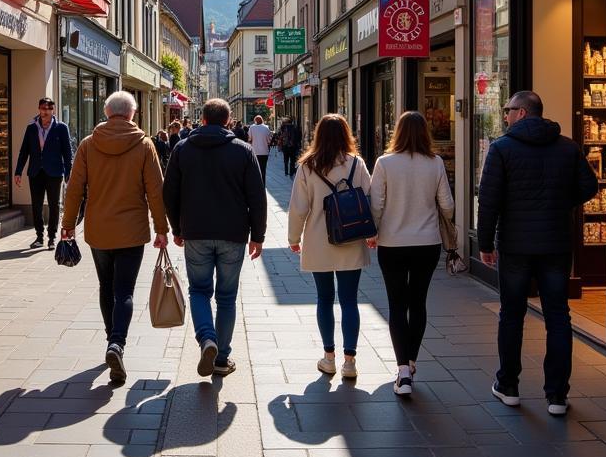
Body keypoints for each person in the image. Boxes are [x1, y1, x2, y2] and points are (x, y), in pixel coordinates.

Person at [477, 90, 598, 416]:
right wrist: (560, 203)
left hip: (515, 245)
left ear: (523, 113)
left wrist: (485, 244)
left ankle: (509, 385)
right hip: (555, 244)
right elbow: (590, 186)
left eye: (508, 110)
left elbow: (489, 200)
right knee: (558, 317)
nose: (504, 115)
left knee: (512, 315)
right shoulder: (567, 147)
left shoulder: (501, 149)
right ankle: (557, 395)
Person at [61, 91, 169, 384]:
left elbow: (74, 189)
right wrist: (162, 228)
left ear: (107, 112)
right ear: (132, 114)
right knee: (125, 291)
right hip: (132, 230)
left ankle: (111, 340)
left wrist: (68, 224)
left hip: (98, 230)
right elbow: (155, 191)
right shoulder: (144, 145)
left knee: (105, 286)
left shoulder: (88, 144)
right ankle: (117, 343)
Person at [163, 97, 267, 377]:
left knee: (198, 290)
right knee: (226, 297)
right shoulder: (243, 151)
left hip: (195, 231)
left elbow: (169, 193)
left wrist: (176, 227)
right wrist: (258, 235)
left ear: (204, 120)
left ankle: (206, 338)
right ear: (229, 121)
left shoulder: (183, 149)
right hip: (233, 234)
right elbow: (257, 198)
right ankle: (221, 357)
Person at [370, 110, 454, 396]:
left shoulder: (384, 163)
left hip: (392, 243)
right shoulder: (436, 163)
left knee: (396, 304)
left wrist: (375, 232)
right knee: (418, 302)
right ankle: (412, 361)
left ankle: (402, 369)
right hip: (427, 243)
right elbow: (448, 205)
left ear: (398, 132)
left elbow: (376, 205)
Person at [287, 114, 371, 379]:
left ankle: (329, 357)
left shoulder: (307, 166)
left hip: (319, 239)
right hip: (351, 238)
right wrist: (373, 232)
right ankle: (350, 362)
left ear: (318, 135)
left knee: (324, 299)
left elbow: (298, 208)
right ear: (346, 134)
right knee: (349, 300)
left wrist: (293, 238)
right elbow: (370, 199)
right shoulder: (357, 164)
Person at [14, 97, 73, 249]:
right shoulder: (31, 127)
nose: (45, 111)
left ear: (53, 110)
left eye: (48, 109)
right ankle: (39, 236)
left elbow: (67, 152)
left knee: (54, 205)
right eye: (42, 108)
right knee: (36, 205)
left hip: (54, 172)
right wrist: (18, 171)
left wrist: (69, 173)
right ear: (39, 109)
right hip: (35, 172)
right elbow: (24, 151)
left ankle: (52, 237)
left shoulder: (61, 127)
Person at [248, 114, 272, 184]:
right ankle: (263, 183)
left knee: (255, 169)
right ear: (262, 120)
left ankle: (256, 183)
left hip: (254, 152)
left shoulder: (252, 128)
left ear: (255, 120)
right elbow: (269, 140)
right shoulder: (266, 128)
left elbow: (250, 139)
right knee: (263, 168)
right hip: (264, 151)